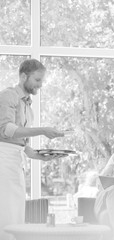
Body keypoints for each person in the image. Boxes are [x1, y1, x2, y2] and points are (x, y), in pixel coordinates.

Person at [0, 59, 65, 240]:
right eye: (37, 80)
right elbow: (7, 130)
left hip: (15, 159)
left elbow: (21, 143)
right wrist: (43, 130)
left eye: (42, 81)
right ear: (23, 76)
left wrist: (39, 155)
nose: (40, 85)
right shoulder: (8, 96)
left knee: (15, 211)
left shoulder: (28, 105)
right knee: (7, 212)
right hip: (3, 159)